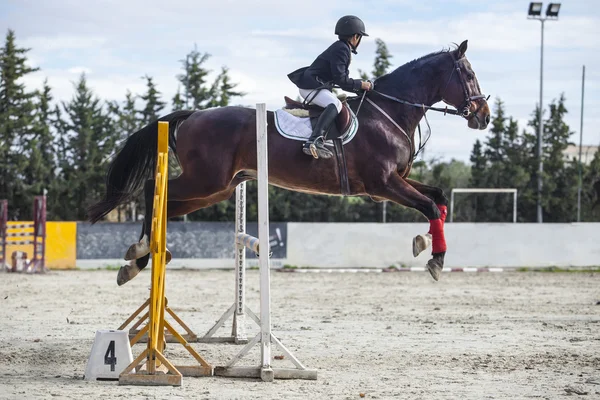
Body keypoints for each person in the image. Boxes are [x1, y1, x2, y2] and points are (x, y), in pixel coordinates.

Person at [287, 15, 373, 159]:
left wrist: (359, 86)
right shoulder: (342, 49)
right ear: (355, 37)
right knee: (335, 104)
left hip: (314, 86)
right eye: (359, 37)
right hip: (311, 87)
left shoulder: (340, 47)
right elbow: (342, 80)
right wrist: (361, 84)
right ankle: (314, 140)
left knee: (336, 103)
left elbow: (342, 82)